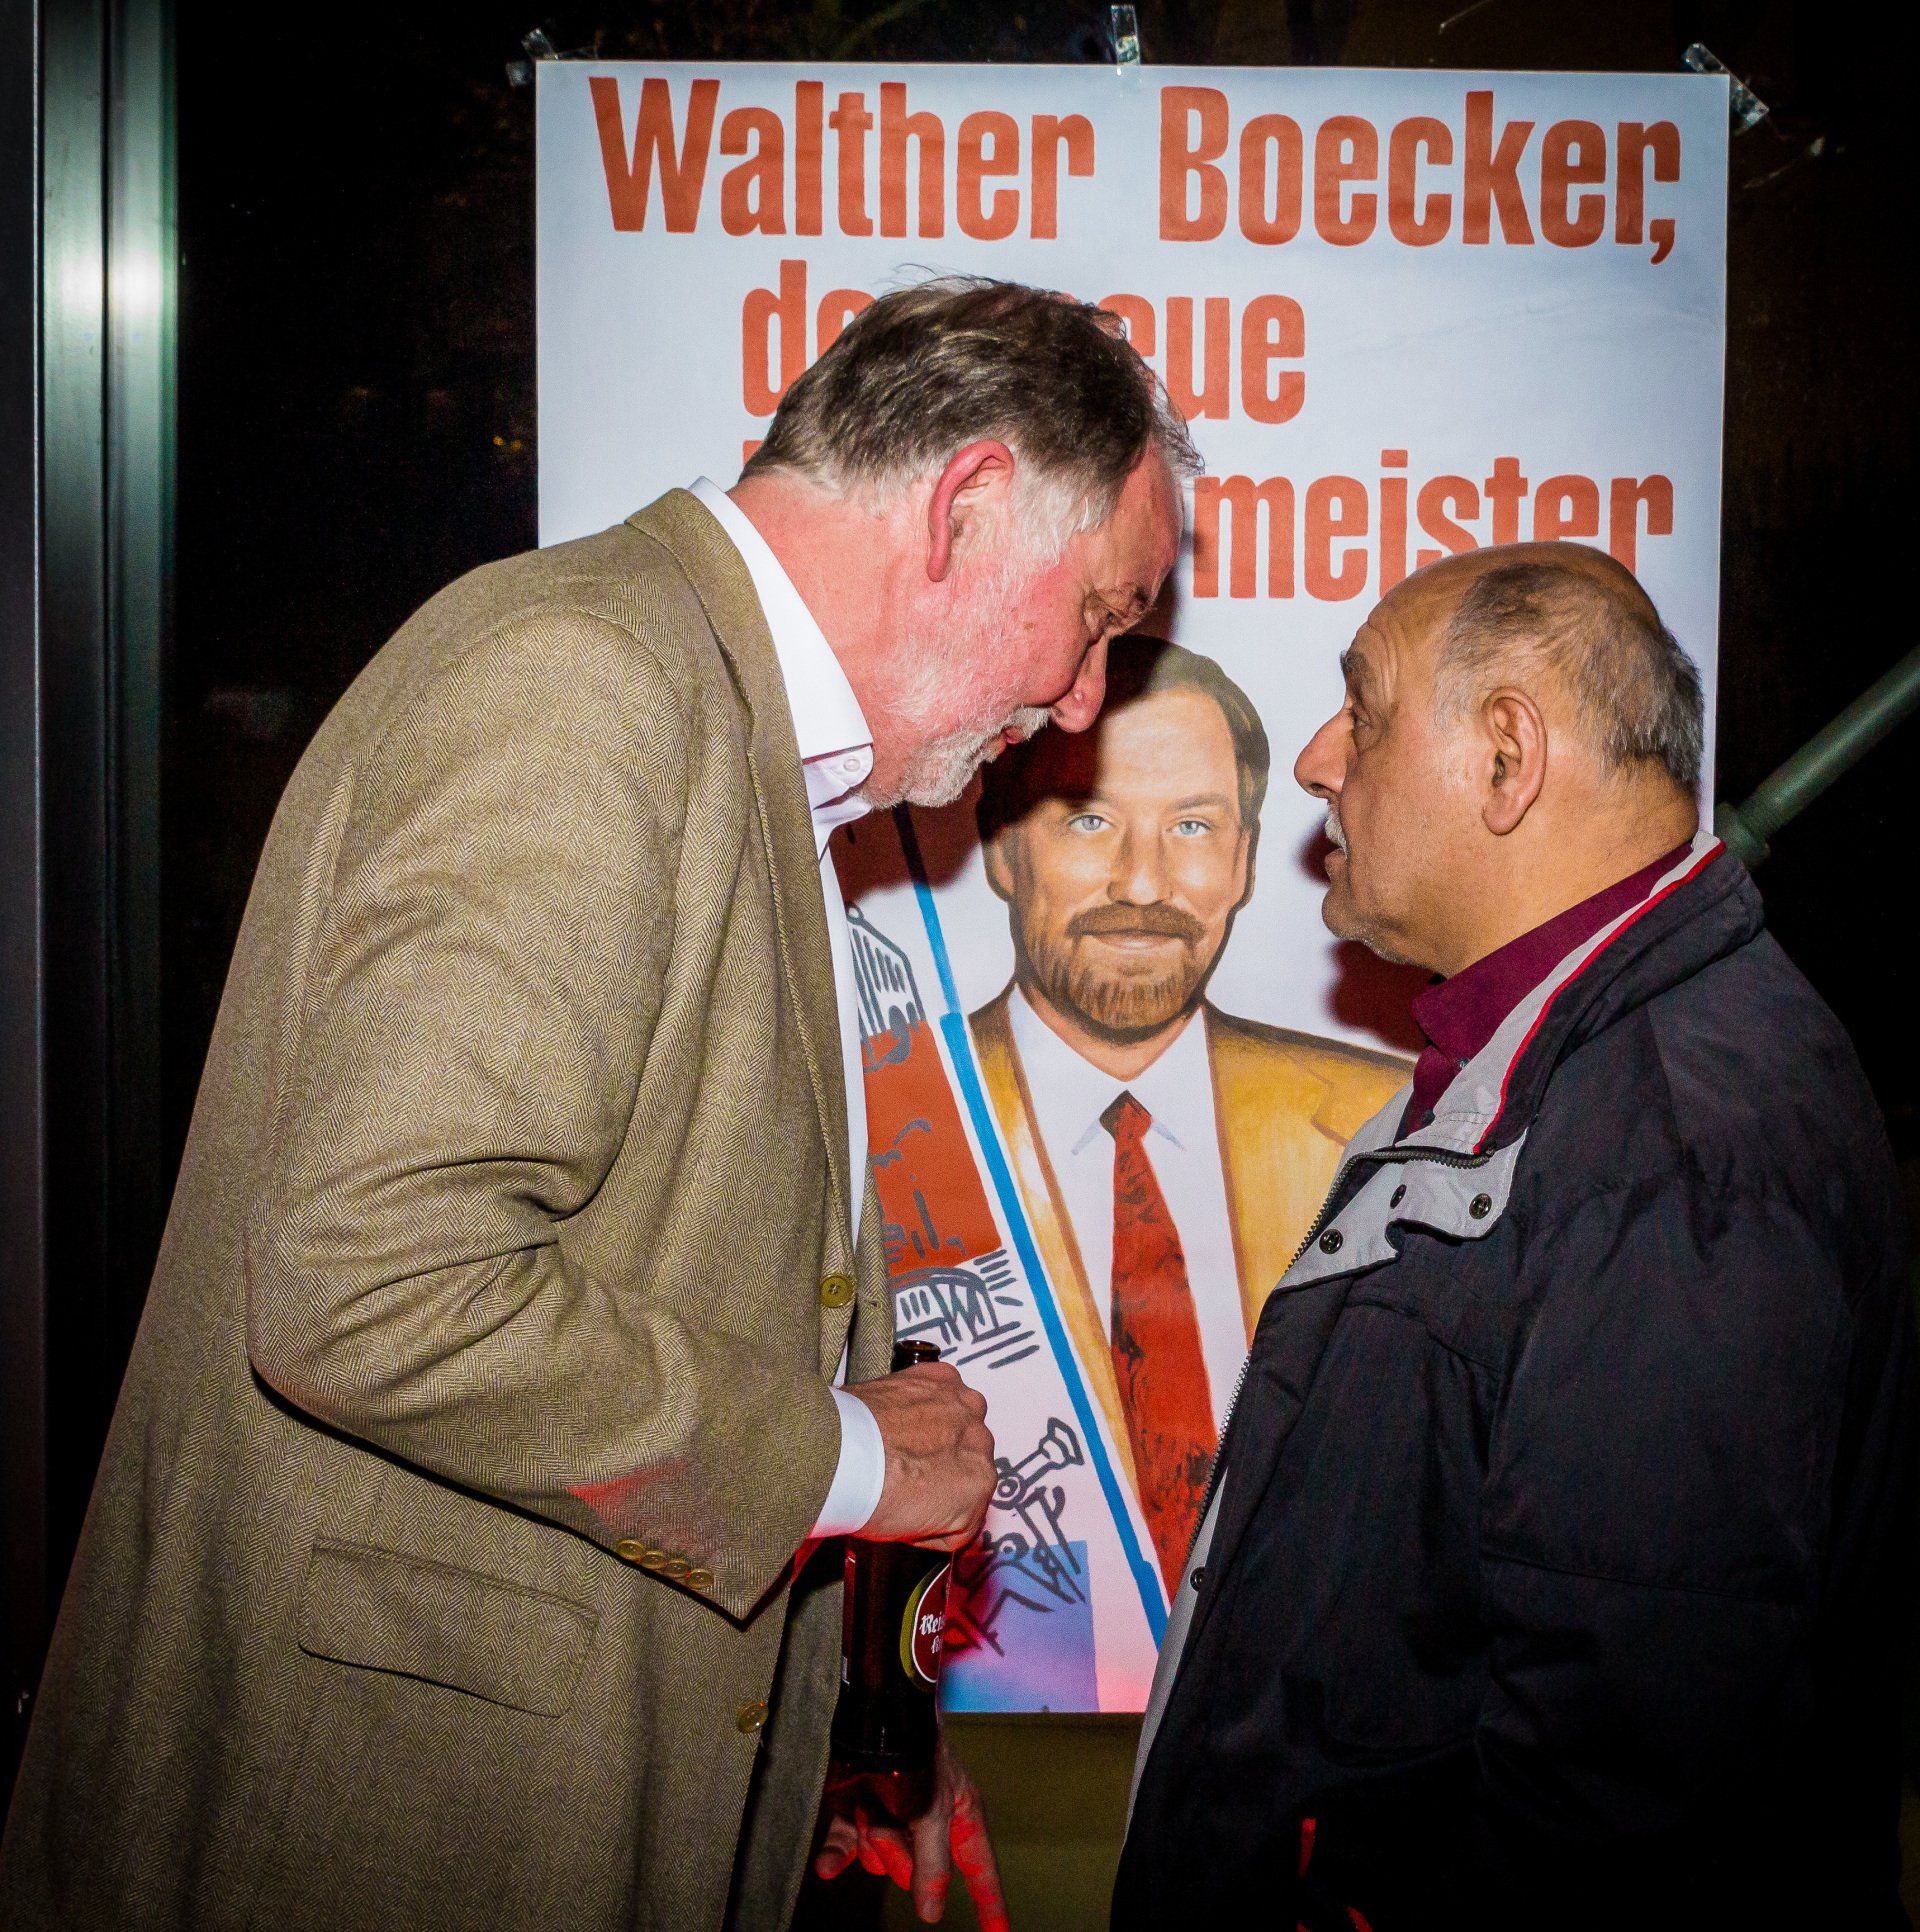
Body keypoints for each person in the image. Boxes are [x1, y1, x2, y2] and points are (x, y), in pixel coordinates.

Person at [0, 277, 1191, 1932]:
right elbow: (371, 1281)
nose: (1082, 700)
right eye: (1102, 616)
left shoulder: (715, 728)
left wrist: (833, 1722)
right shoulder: (589, 683)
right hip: (384, 1828)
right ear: (968, 508)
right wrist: (850, 1458)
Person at [1117, 543, 1915, 1929]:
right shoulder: (1574, 1077)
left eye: (1363, 712)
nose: (1315, 760)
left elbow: (1618, 1810)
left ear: (1505, 758)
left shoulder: (1676, 1154)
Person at [968, 637, 1406, 1590]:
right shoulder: (894, 1119)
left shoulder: (1394, 1125)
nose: (1142, 883)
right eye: (1089, 820)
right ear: (1002, 850)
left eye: (1194, 826)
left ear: (1244, 859)